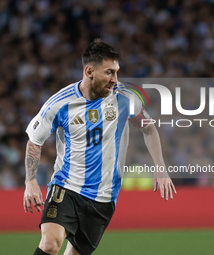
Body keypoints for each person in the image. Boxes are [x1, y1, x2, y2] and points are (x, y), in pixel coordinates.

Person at [23, 40, 177, 255]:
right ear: (89, 71)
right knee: (50, 244)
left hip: (105, 195)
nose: (115, 79)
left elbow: (149, 129)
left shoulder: (126, 98)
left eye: (117, 72)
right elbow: (34, 141)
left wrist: (160, 167)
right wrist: (30, 181)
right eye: (109, 73)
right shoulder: (59, 104)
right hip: (67, 186)